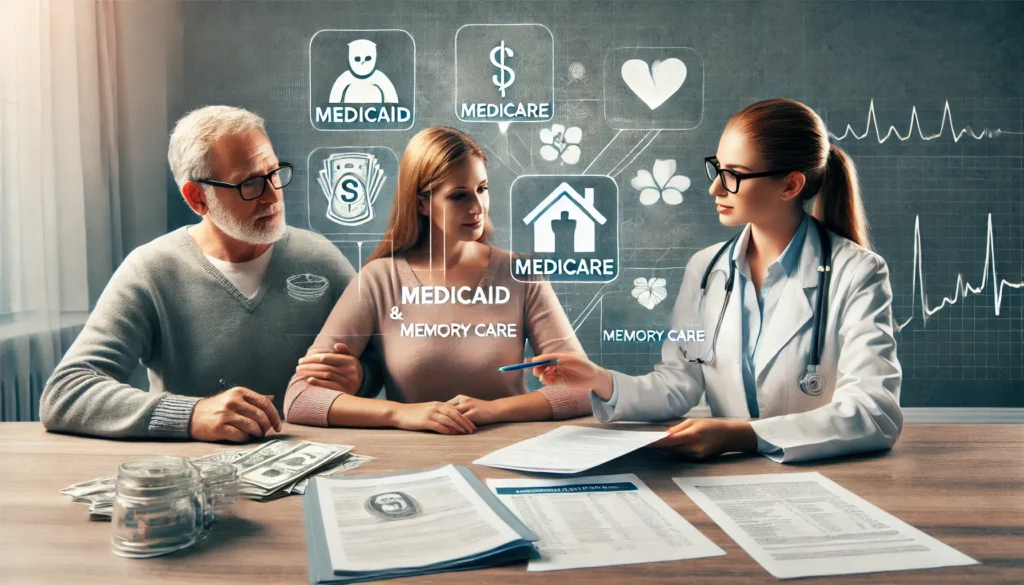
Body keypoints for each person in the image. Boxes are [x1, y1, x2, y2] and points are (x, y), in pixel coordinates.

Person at [532, 98, 903, 463]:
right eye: (718, 169)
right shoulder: (705, 269)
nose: (716, 189)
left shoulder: (857, 273)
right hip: (726, 479)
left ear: (790, 186)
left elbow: (874, 413)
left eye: (735, 176)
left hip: (823, 479)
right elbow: (678, 384)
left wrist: (744, 436)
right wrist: (599, 379)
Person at [40, 105, 380, 442]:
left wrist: (361, 376)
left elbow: (383, 360)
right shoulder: (150, 271)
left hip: (315, 465)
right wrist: (191, 415)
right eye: (249, 184)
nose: (273, 195)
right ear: (197, 198)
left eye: (274, 173)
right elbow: (66, 393)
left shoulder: (322, 258)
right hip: (196, 477)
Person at [284, 126, 591, 433]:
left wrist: (492, 410)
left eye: (482, 189)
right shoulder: (379, 280)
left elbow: (585, 386)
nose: (477, 207)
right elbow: (300, 399)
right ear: (422, 204)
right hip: (413, 464)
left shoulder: (521, 274)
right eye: (458, 196)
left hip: (511, 458)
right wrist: (401, 414)